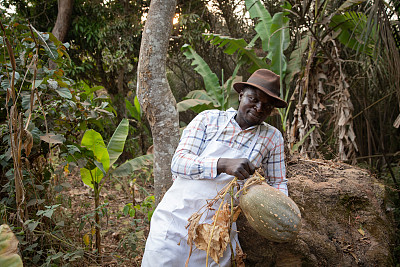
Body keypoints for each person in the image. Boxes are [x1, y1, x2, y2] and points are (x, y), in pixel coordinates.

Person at [141, 69, 288, 266]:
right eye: (253, 99)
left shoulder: (272, 137)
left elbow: (277, 182)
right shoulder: (209, 119)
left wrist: (282, 217)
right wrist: (222, 164)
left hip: (218, 229)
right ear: (241, 95)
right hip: (176, 219)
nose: (259, 108)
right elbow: (178, 163)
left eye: (267, 106)